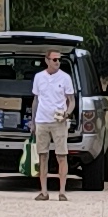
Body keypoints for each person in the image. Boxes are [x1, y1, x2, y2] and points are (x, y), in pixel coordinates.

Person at [30, 44, 75, 197]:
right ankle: (43, 191)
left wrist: (66, 115)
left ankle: (62, 191)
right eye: (54, 59)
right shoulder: (39, 77)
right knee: (43, 155)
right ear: (47, 60)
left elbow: (71, 100)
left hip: (58, 122)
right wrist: (33, 121)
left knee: (61, 155)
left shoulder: (65, 78)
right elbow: (36, 99)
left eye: (59, 60)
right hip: (42, 120)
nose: (57, 62)